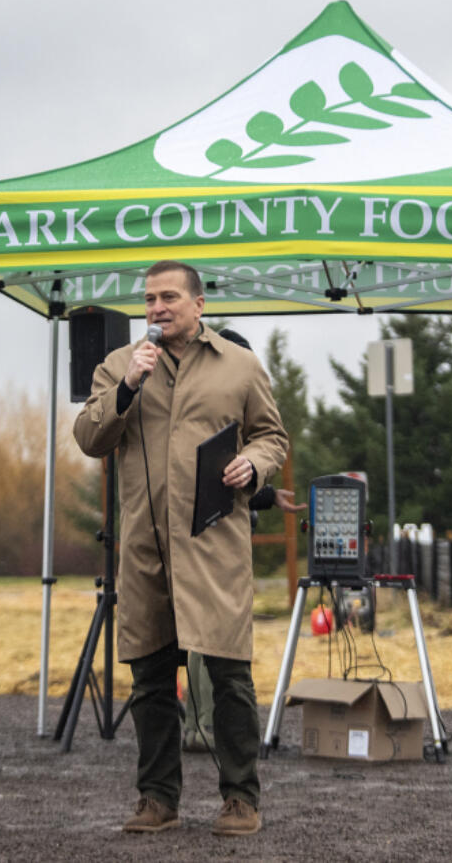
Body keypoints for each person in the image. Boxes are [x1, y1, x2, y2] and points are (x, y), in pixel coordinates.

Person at [74, 261, 288, 837]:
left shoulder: (239, 366)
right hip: (145, 546)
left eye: (169, 297)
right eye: (148, 299)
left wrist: (257, 464)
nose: (156, 307)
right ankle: (157, 798)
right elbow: (90, 438)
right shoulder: (120, 365)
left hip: (213, 545)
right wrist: (126, 388)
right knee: (149, 676)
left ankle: (241, 799)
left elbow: (273, 436)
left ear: (198, 304)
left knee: (228, 675)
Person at [182, 328, 307, 754]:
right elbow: (211, 476)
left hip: (227, 533)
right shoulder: (206, 408)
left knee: (218, 635)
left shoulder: (231, 405)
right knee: (207, 637)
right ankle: (201, 728)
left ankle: (212, 724)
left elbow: (235, 472)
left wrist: (268, 495)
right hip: (209, 539)